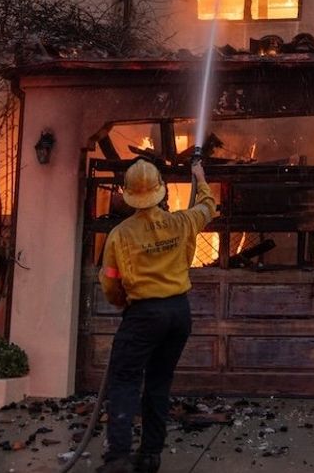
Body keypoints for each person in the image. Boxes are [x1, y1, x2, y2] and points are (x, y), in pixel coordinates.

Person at [98, 159, 216, 473]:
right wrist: (200, 177)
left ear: (128, 194)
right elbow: (208, 206)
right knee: (158, 383)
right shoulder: (183, 222)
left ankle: (118, 459)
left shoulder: (120, 235)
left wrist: (124, 302)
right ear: (160, 189)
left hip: (143, 314)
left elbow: (110, 282)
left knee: (124, 380)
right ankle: (151, 454)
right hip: (179, 314)